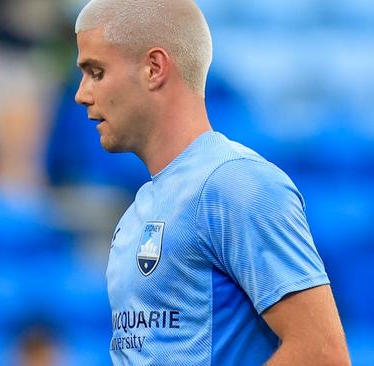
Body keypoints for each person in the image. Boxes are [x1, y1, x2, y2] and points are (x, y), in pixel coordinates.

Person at [73, 1, 350, 365]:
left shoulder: (237, 183)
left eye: (96, 72)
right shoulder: (138, 211)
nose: (81, 94)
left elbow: (322, 355)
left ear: (154, 68)